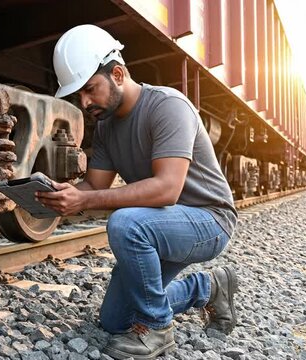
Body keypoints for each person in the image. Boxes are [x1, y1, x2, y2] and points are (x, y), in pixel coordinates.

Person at [36, 24, 239, 360]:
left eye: (89, 90)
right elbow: (95, 187)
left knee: (125, 223)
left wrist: (86, 200)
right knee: (116, 320)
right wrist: (64, 195)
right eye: (79, 96)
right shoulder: (105, 126)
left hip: (209, 221)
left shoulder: (167, 106)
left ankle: (158, 328)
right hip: (162, 226)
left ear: (118, 74)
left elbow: (167, 190)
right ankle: (208, 287)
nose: (85, 102)